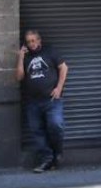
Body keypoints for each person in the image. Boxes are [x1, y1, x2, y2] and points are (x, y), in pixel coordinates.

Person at [16, 30, 69, 173]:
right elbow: (19, 77)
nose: (31, 44)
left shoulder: (49, 51)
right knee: (36, 131)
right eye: (29, 41)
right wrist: (20, 57)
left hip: (52, 100)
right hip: (33, 102)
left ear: (39, 40)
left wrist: (59, 88)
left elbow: (64, 68)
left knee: (56, 125)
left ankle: (57, 152)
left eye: (34, 40)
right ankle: (47, 159)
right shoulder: (26, 57)